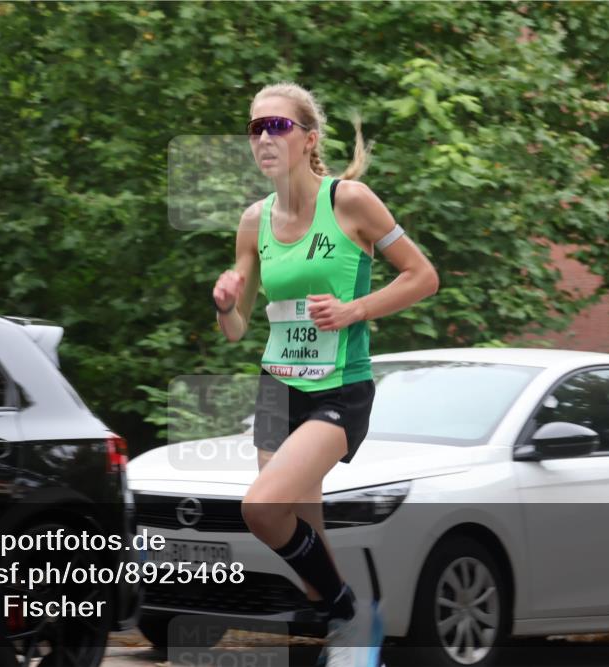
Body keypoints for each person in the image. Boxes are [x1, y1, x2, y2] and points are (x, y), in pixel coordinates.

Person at [212, 82, 439, 666]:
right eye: (255, 128)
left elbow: (422, 277)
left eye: (278, 126)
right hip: (276, 387)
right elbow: (236, 330)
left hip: (338, 388)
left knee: (261, 509)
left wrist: (354, 309)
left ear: (308, 138)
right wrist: (225, 302)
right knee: (307, 553)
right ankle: (354, 632)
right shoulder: (252, 221)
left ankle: (349, 613)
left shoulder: (350, 201)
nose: (264, 136)